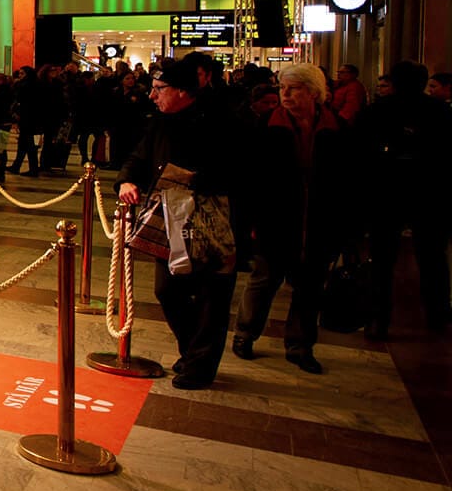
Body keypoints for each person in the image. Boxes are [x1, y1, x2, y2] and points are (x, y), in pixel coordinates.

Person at [116, 58, 240, 389]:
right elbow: (138, 158)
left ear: (183, 91)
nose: (152, 97)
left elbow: (239, 170)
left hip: (214, 223)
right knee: (167, 290)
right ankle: (192, 350)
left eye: (159, 90)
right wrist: (126, 181)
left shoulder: (222, 120)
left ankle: (201, 365)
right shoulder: (159, 122)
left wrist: (194, 182)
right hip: (169, 221)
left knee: (211, 295)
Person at [231, 63, 355, 374]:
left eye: (294, 88)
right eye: (283, 87)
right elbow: (249, 182)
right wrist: (248, 226)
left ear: (314, 93)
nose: (285, 94)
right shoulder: (264, 128)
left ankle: (300, 345)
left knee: (310, 287)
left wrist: (346, 229)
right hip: (275, 220)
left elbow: (351, 182)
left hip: (319, 222)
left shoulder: (338, 129)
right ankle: (245, 334)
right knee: (263, 281)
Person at [356, 60, 452, 337]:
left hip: (386, 193)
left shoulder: (377, 111)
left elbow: (359, 154)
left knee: (382, 260)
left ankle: (379, 319)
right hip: (431, 193)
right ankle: (437, 314)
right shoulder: (440, 112)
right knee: (433, 257)